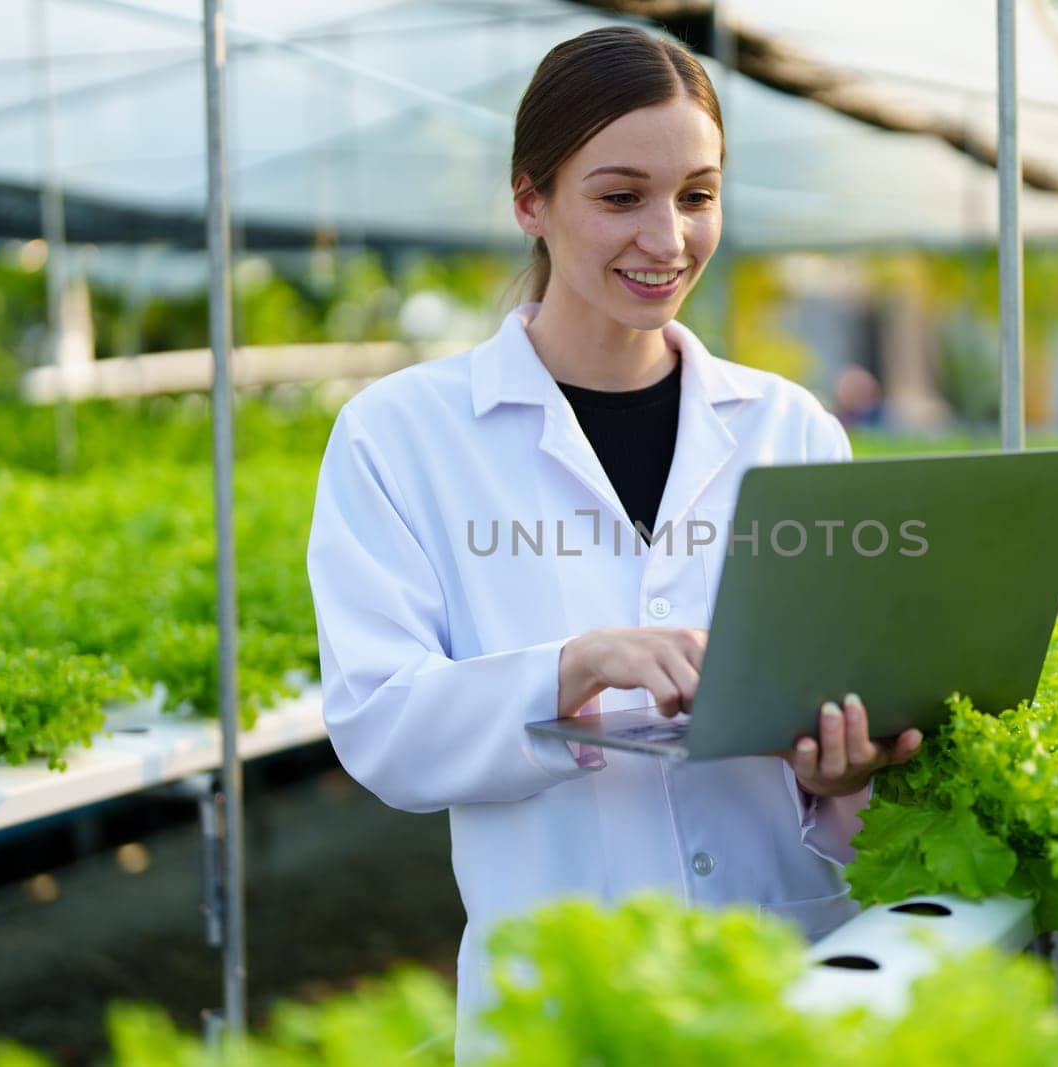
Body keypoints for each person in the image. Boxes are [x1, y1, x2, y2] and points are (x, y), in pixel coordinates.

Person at [306, 25, 922, 1057]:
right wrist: (572, 667)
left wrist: (841, 774)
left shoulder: (790, 428)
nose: (667, 237)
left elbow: (836, 714)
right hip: (560, 999)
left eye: (697, 195)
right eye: (620, 195)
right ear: (529, 202)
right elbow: (381, 723)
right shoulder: (399, 435)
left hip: (783, 976)